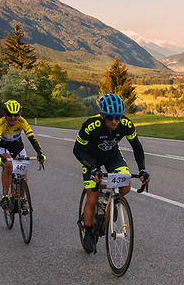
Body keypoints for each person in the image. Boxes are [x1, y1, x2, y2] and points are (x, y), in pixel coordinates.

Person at [73, 93, 150, 254]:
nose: (114, 121)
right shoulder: (90, 125)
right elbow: (77, 150)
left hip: (112, 156)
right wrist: (92, 168)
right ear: (102, 115)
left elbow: (137, 146)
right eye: (110, 117)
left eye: (117, 117)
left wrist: (142, 169)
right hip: (90, 158)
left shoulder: (125, 124)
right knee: (92, 197)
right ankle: (88, 230)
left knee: (126, 186)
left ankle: (109, 201)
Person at [0, 99, 46, 210]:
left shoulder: (22, 121)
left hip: (18, 147)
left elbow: (32, 137)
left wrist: (39, 153)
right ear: (5, 114)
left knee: (23, 172)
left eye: (16, 115)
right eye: (10, 115)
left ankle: (22, 199)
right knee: (9, 166)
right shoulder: (1, 122)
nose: (13, 118)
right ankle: (5, 197)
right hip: (4, 147)